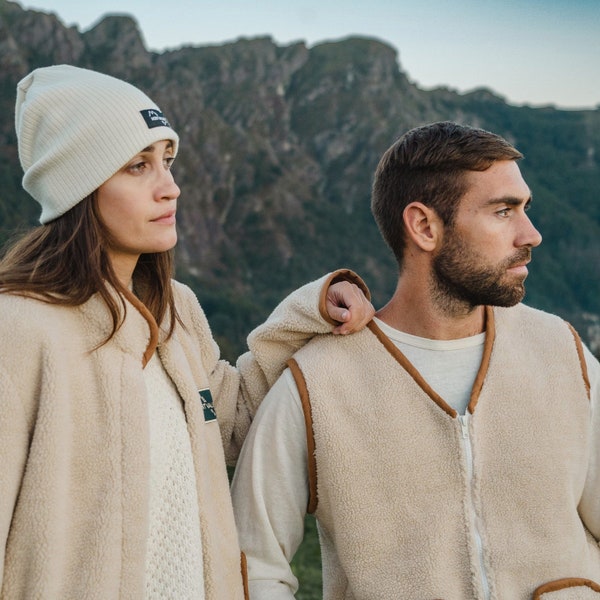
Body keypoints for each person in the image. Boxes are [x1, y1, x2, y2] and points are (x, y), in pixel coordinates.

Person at [0, 64, 375, 600]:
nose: (170, 187)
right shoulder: (17, 329)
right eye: (137, 166)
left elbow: (234, 422)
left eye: (167, 161)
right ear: (78, 184)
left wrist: (312, 311)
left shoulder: (175, 312)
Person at [230, 121, 600, 599]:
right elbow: (253, 568)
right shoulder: (319, 384)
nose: (531, 234)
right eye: (503, 212)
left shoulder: (560, 350)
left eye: (525, 209)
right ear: (424, 227)